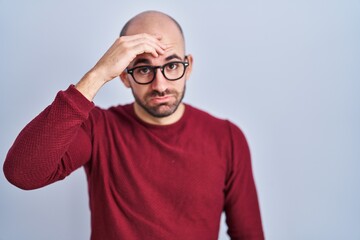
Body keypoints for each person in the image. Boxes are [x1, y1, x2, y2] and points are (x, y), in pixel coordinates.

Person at [3, 10, 265, 240]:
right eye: (143, 69)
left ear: (189, 66)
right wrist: (96, 75)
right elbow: (22, 173)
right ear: (124, 77)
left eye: (172, 65)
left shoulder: (227, 137)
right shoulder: (99, 129)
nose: (160, 85)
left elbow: (249, 235)